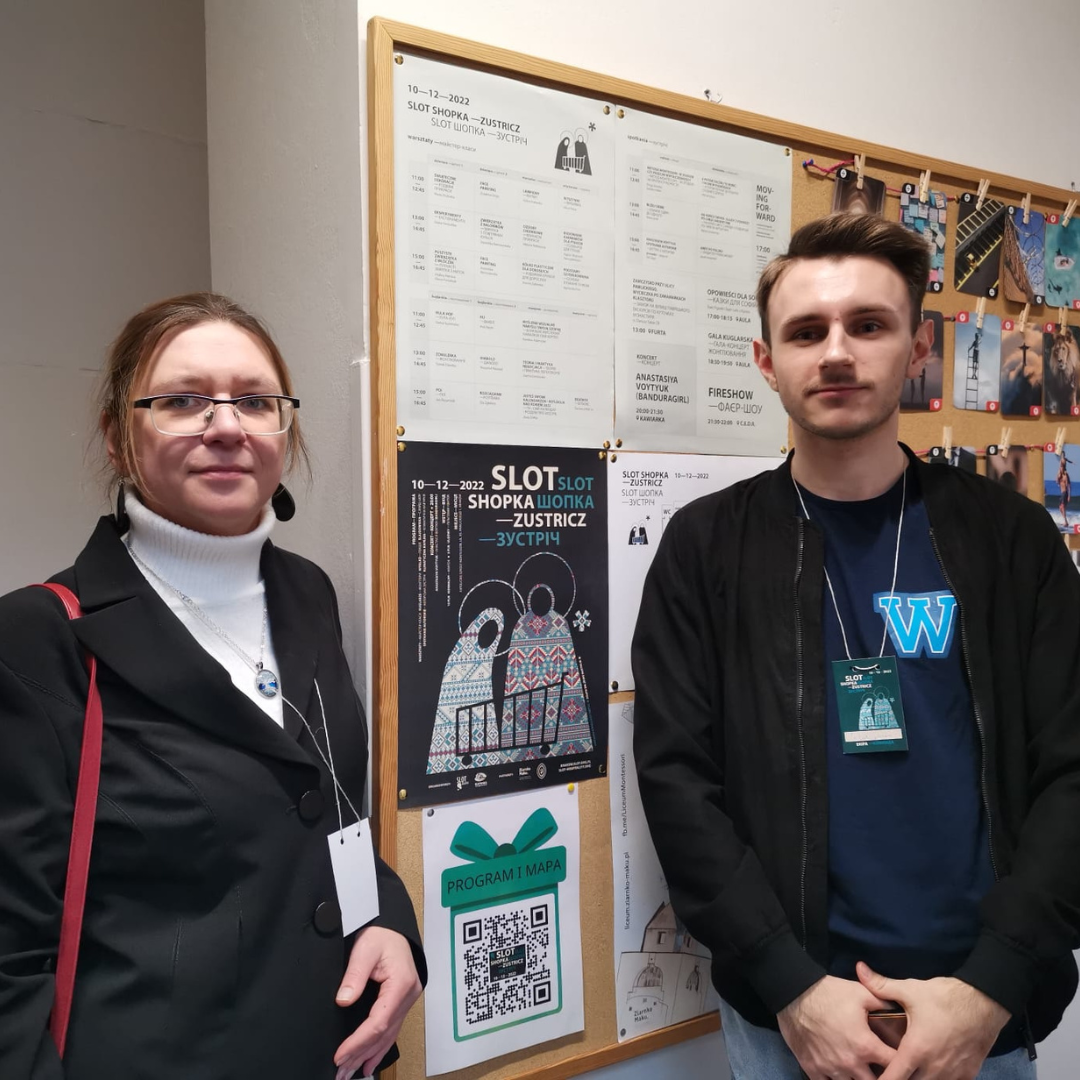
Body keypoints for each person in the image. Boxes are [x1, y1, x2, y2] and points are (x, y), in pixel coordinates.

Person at [632, 214, 1080, 1080]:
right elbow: (677, 782)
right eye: (806, 332)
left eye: (868, 325)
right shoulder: (706, 548)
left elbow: (1072, 768)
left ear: (918, 349)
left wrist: (991, 987)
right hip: (793, 1025)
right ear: (767, 362)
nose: (836, 353)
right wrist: (791, 987)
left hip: (980, 1016)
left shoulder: (1011, 540)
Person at [0, 293, 425, 1079]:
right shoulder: (40, 637)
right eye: (183, 400)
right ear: (119, 437)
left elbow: (331, 813)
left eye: (255, 402)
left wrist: (389, 922)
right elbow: (10, 952)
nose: (226, 426)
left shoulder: (308, 593)